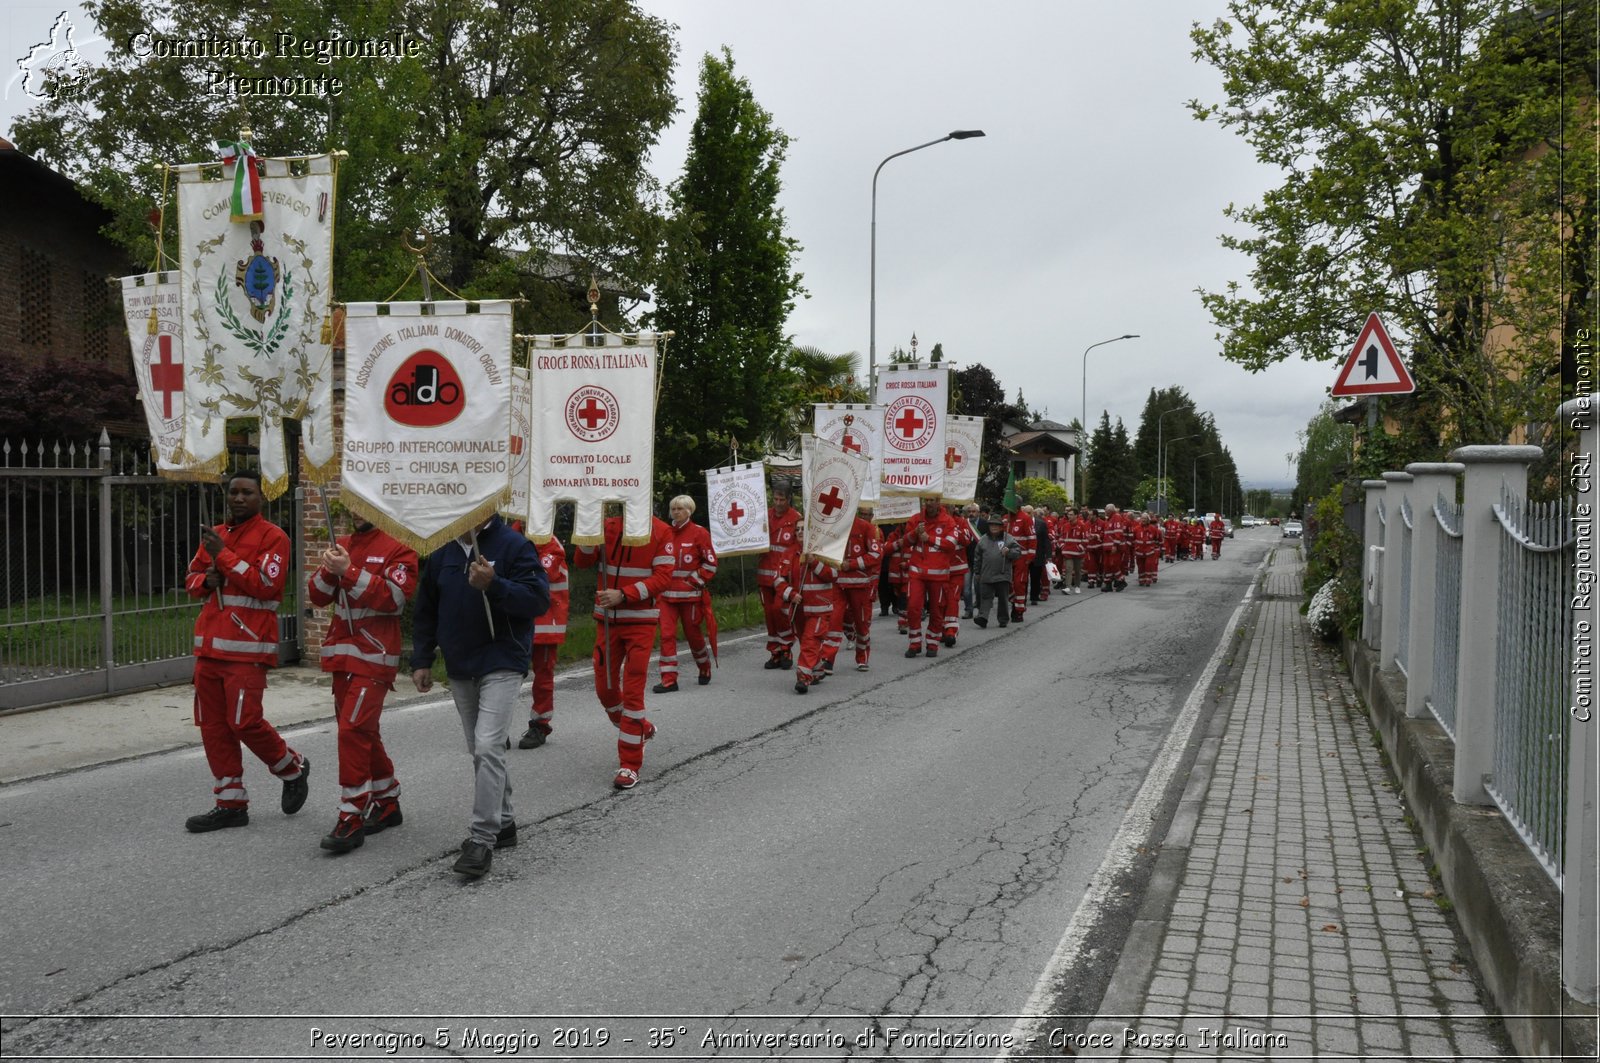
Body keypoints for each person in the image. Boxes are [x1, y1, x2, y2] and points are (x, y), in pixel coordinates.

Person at [411, 513, 549, 878]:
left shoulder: (514, 545)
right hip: (459, 663)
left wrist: (495, 584)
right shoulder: (442, 552)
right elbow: (426, 609)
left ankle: (482, 838)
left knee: (488, 746)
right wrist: (422, 658)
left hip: (502, 659)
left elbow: (537, 600)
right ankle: (503, 822)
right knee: (480, 748)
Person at [183, 469, 309, 834]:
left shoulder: (274, 537)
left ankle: (292, 768)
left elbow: (266, 585)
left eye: (247, 493)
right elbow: (191, 579)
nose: (238, 498)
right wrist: (204, 580)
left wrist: (222, 559)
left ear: (261, 498)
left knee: (245, 722)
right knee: (213, 727)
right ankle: (231, 803)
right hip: (209, 650)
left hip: (248, 649)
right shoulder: (215, 535)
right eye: (233, 492)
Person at [306, 515, 418, 853]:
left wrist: (349, 572)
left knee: (353, 730)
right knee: (361, 731)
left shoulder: (400, 546)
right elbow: (317, 595)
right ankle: (387, 800)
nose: (357, 510)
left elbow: (394, 598)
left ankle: (351, 814)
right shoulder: (344, 544)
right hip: (343, 656)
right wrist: (330, 568)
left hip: (375, 656)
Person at [575, 508, 675, 790]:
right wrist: (587, 529)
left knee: (633, 691)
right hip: (606, 622)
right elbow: (582, 561)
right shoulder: (607, 525)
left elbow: (664, 577)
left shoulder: (661, 530)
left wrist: (624, 595)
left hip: (640, 623)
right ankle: (640, 729)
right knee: (605, 688)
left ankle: (630, 765)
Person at [655, 495, 718, 692]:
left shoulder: (700, 533)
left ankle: (704, 666)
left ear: (689, 511)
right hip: (666, 596)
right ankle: (669, 679)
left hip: (690, 597)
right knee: (666, 635)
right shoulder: (664, 532)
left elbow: (710, 564)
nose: (676, 512)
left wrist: (692, 582)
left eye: (680, 508)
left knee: (694, 636)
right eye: (673, 508)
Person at [518, 536, 570, 749]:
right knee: (504, 675)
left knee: (543, 676)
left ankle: (540, 725)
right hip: (517, 619)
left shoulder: (551, 545)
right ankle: (496, 727)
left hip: (545, 622)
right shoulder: (512, 535)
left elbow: (540, 574)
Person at [903, 496, 959, 657]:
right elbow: (906, 541)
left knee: (936, 610)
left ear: (938, 501)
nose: (929, 503)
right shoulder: (916, 519)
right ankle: (914, 643)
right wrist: (916, 533)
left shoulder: (948, 521)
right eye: (926, 500)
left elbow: (951, 544)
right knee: (913, 607)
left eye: (932, 500)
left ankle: (932, 643)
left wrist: (929, 539)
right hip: (917, 573)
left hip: (938, 575)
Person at [830, 504, 883, 671]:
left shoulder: (866, 528)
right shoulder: (833, 526)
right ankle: (827, 660)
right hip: (837, 583)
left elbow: (875, 554)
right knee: (833, 622)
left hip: (859, 585)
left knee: (861, 624)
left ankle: (862, 657)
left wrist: (851, 565)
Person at [756, 484, 801, 669]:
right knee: (769, 615)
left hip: (783, 577)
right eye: (775, 499)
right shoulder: (764, 516)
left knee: (779, 611)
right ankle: (775, 652)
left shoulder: (796, 519)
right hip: (764, 575)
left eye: (782, 500)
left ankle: (786, 647)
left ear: (789, 499)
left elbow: (798, 546)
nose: (778, 503)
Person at [971, 513, 1021, 627]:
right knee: (985, 597)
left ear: (1001, 527)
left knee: (1003, 599)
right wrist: (977, 572)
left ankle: (1003, 619)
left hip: (1003, 574)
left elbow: (1018, 553)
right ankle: (982, 617)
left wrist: (1009, 552)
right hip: (986, 574)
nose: (994, 527)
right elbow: (977, 557)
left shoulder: (1008, 538)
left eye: (996, 525)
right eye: (992, 525)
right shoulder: (983, 539)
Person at [1028, 506, 1053, 604]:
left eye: (1029, 512)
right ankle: (1022, 597)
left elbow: (1046, 540)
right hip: (1025, 555)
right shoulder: (1022, 523)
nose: (1027, 514)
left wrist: (1049, 555)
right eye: (1025, 512)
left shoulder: (1041, 524)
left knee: (1035, 577)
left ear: (1033, 513)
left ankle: (1034, 597)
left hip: (1038, 554)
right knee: (1024, 578)